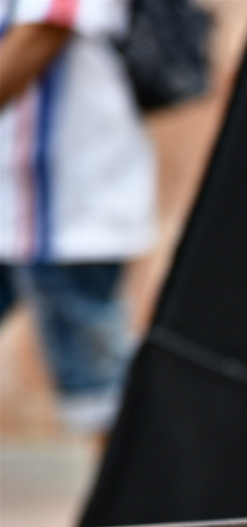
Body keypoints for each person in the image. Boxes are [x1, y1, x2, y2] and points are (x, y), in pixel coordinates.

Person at [0, 0, 155, 436]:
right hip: (16, 202)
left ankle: (155, 503)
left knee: (101, 400)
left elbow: (45, 29)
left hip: (65, 208)